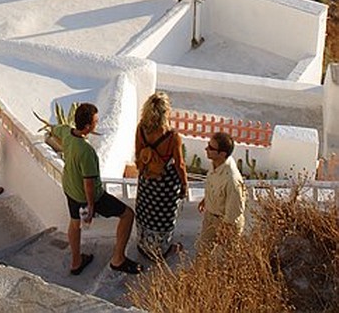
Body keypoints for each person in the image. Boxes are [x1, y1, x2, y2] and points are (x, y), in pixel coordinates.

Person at [50, 103, 139, 276]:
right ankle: (118, 259)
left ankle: (76, 262)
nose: (97, 124)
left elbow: (54, 131)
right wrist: (91, 206)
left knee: (75, 224)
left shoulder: (67, 133)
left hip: (70, 189)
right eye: (96, 121)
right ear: (88, 126)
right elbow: (89, 183)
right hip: (89, 196)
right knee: (128, 215)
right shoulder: (87, 151)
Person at [134, 91, 188, 260]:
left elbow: (138, 154)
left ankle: (144, 246)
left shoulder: (141, 129)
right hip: (165, 184)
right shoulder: (172, 136)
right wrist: (184, 184)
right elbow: (179, 164)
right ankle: (161, 250)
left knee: (145, 212)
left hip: (147, 180)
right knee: (163, 217)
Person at [198, 132, 246, 253]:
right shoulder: (215, 163)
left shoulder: (232, 178)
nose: (206, 149)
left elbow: (235, 208)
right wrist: (206, 200)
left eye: (211, 148)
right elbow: (214, 184)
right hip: (210, 217)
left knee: (226, 261)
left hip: (226, 223)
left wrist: (225, 229)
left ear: (222, 154)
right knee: (202, 254)